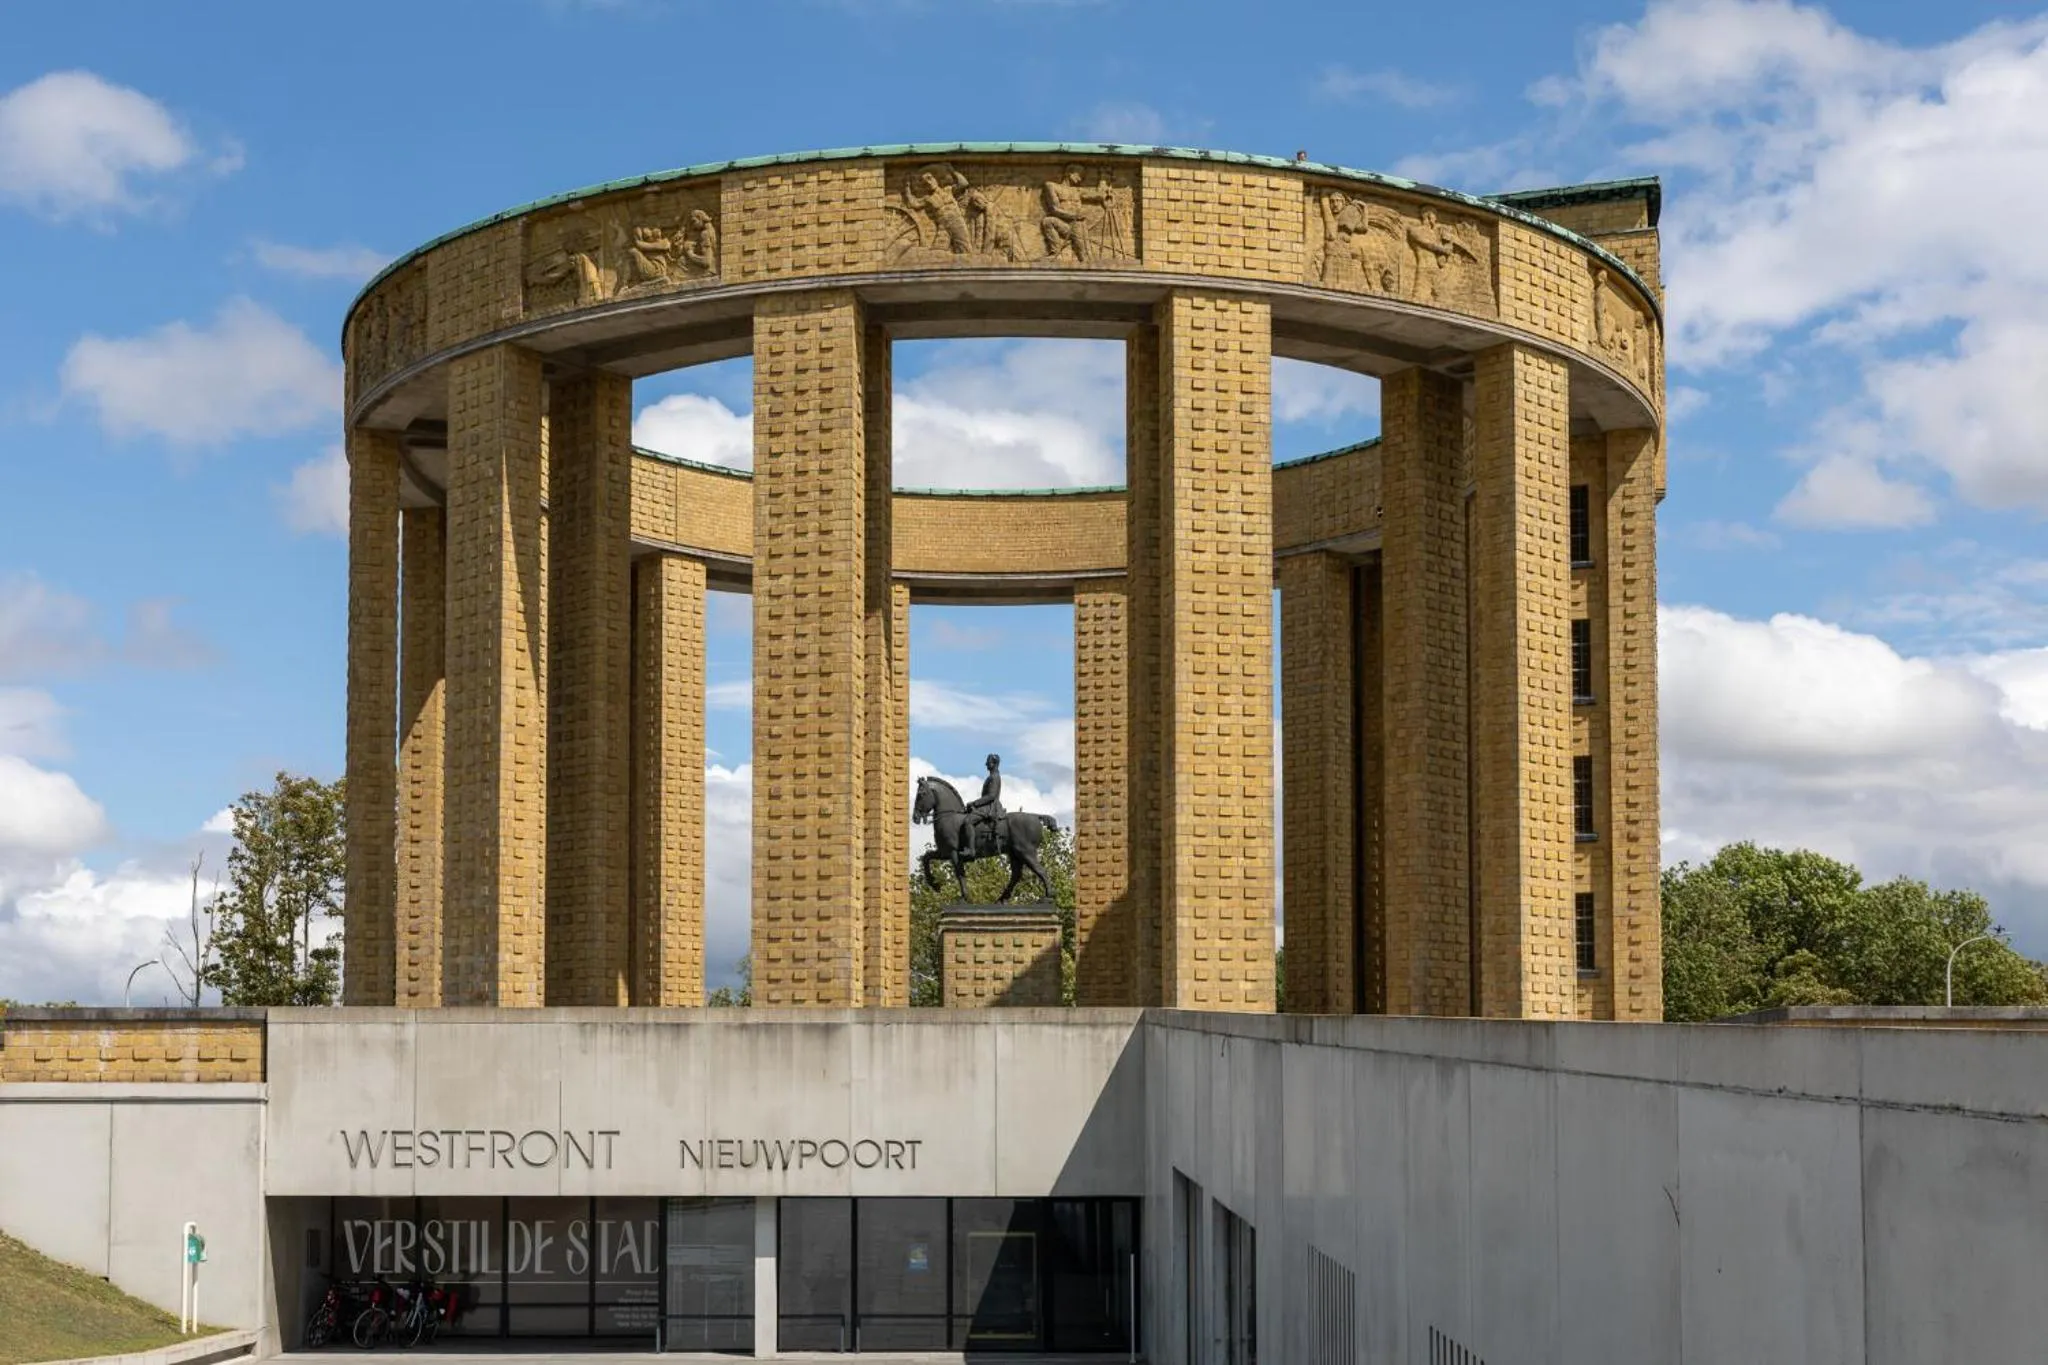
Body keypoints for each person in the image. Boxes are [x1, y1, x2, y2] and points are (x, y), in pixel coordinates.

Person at [966, 753, 1005, 853]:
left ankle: (971, 849)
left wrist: (974, 803)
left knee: (968, 821)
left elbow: (991, 796)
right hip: (987, 805)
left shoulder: (995, 777)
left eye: (988, 762)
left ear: (994, 763)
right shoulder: (992, 776)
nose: (986, 764)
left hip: (990, 807)